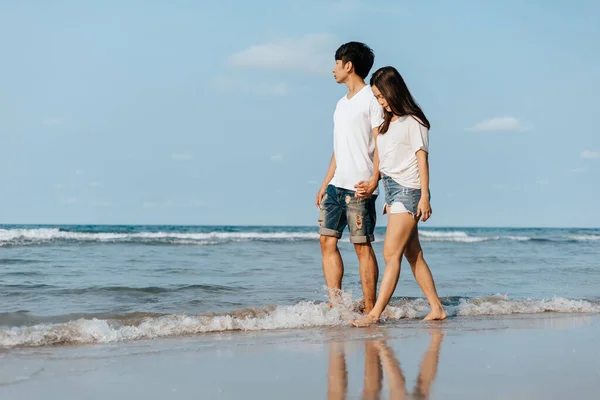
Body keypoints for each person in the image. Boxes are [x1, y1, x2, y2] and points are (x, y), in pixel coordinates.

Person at [350, 66, 446, 326]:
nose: (380, 102)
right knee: (413, 254)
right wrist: (376, 184)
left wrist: (425, 196)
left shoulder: (414, 121)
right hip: (392, 191)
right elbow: (384, 159)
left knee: (390, 254)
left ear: (393, 91)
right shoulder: (386, 123)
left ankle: (374, 314)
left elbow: (422, 160)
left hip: (409, 190)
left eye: (382, 96)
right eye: (377, 98)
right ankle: (437, 307)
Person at [316, 42, 384, 314]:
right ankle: (336, 305)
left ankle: (370, 308)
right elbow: (339, 148)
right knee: (326, 241)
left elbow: (381, 143)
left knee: (361, 246)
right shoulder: (340, 104)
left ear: (349, 65)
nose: (332, 69)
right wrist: (325, 183)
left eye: (336, 63)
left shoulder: (371, 99)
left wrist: (375, 179)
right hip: (336, 186)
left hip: (360, 186)